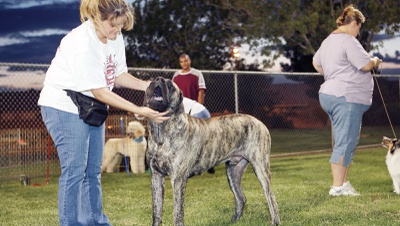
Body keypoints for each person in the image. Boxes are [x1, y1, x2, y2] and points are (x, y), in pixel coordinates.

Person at [38, 0, 169, 225]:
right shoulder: (80, 43)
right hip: (63, 106)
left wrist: (145, 85)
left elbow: (118, 74)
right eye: (113, 25)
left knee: (93, 171)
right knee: (75, 170)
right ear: (97, 18)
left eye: (121, 25)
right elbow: (100, 91)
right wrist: (139, 110)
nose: (118, 31)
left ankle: (96, 221)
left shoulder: (114, 37)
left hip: (92, 108)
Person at [312, 5, 381, 196]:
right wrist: (375, 60)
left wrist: (333, 74)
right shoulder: (348, 40)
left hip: (332, 95)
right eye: (359, 28)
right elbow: (366, 65)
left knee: (346, 140)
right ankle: (337, 187)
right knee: (345, 141)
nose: (358, 33)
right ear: (354, 23)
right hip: (345, 97)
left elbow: (316, 62)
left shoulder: (328, 41)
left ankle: (343, 183)